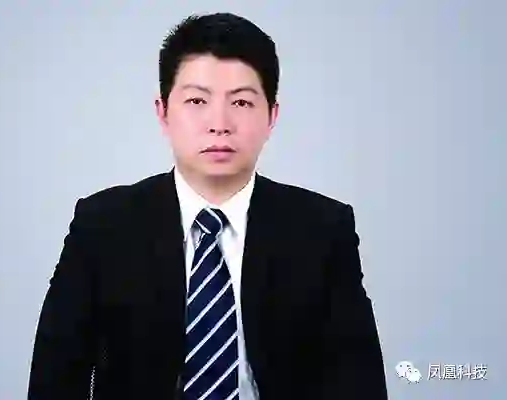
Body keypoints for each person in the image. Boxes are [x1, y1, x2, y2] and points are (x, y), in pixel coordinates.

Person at [27, 12, 388, 400]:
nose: (219, 123)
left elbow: (360, 384)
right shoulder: (102, 227)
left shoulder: (322, 231)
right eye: (197, 100)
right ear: (163, 112)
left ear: (272, 117)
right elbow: (55, 379)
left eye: (242, 102)